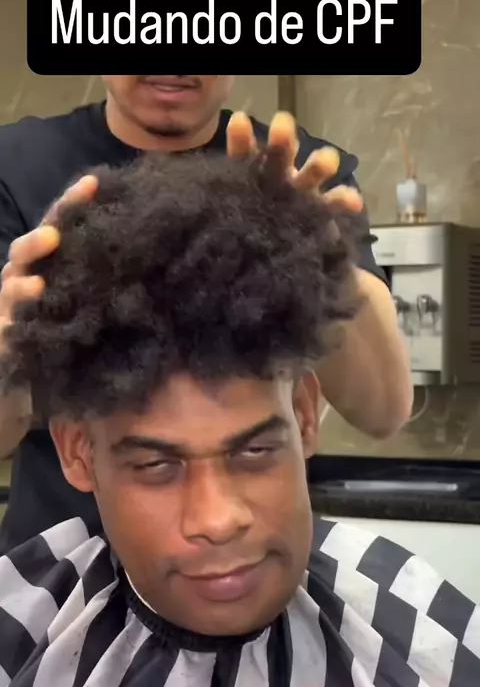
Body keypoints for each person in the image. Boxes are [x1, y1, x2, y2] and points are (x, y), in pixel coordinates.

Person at [0, 150, 476, 687]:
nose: (218, 519)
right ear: (78, 451)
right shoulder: (19, 637)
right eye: (156, 466)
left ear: (304, 415)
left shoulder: (424, 627)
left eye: (254, 451)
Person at [0, 75, 412, 551]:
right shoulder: (15, 166)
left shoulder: (297, 176)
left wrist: (323, 257)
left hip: (244, 553)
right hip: (61, 564)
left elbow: (383, 410)